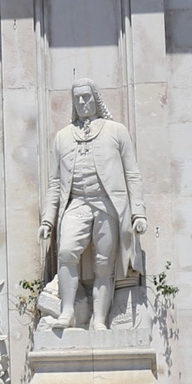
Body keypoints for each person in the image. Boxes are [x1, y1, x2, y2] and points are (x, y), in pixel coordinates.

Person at [37, 82, 149, 330]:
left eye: (87, 97)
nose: (83, 102)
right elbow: (54, 183)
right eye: (77, 98)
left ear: (96, 99)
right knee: (66, 252)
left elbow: (132, 174)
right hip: (77, 203)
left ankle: (99, 319)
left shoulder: (116, 131)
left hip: (107, 204)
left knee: (103, 264)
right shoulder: (63, 137)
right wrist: (48, 219)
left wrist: (138, 213)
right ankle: (67, 312)